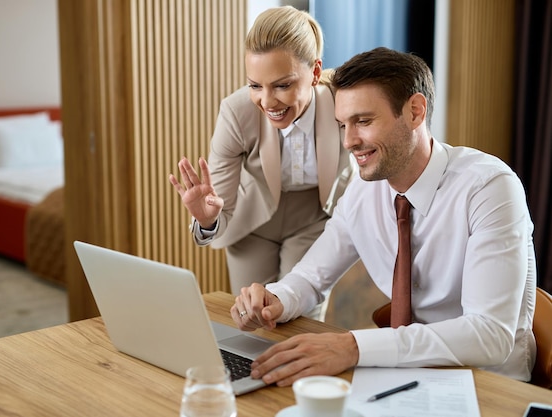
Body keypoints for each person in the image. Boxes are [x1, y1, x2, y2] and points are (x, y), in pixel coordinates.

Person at [230, 47, 537, 386]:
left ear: (415, 112)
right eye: (342, 124)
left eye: (363, 121)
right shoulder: (363, 192)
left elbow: (489, 335)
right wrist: (277, 299)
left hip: (490, 385)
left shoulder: (489, 188)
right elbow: (311, 277)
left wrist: (353, 346)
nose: (349, 141)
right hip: (405, 377)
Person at [168, 6, 354, 314]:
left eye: (283, 85)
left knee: (302, 316)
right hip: (251, 221)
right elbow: (220, 205)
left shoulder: (341, 104)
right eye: (255, 85)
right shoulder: (236, 112)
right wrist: (207, 219)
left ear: (316, 73)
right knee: (253, 316)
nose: (267, 102)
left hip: (313, 218)